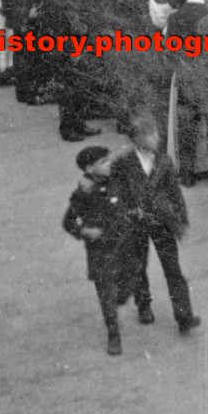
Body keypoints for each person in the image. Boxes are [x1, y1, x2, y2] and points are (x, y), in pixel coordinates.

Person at [114, 109, 201, 334]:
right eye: (152, 135)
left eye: (156, 134)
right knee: (138, 266)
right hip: (137, 223)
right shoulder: (124, 163)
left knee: (173, 269)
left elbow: (175, 193)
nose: (157, 138)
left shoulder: (164, 160)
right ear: (138, 139)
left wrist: (181, 221)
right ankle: (144, 305)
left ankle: (184, 316)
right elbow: (117, 194)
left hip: (162, 221)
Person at [61, 145, 132, 356]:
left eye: (108, 160)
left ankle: (120, 299)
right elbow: (68, 221)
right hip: (100, 250)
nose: (109, 164)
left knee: (127, 284)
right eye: (103, 162)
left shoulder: (116, 181)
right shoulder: (83, 192)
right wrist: (85, 231)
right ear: (90, 168)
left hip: (123, 245)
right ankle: (113, 333)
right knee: (106, 292)